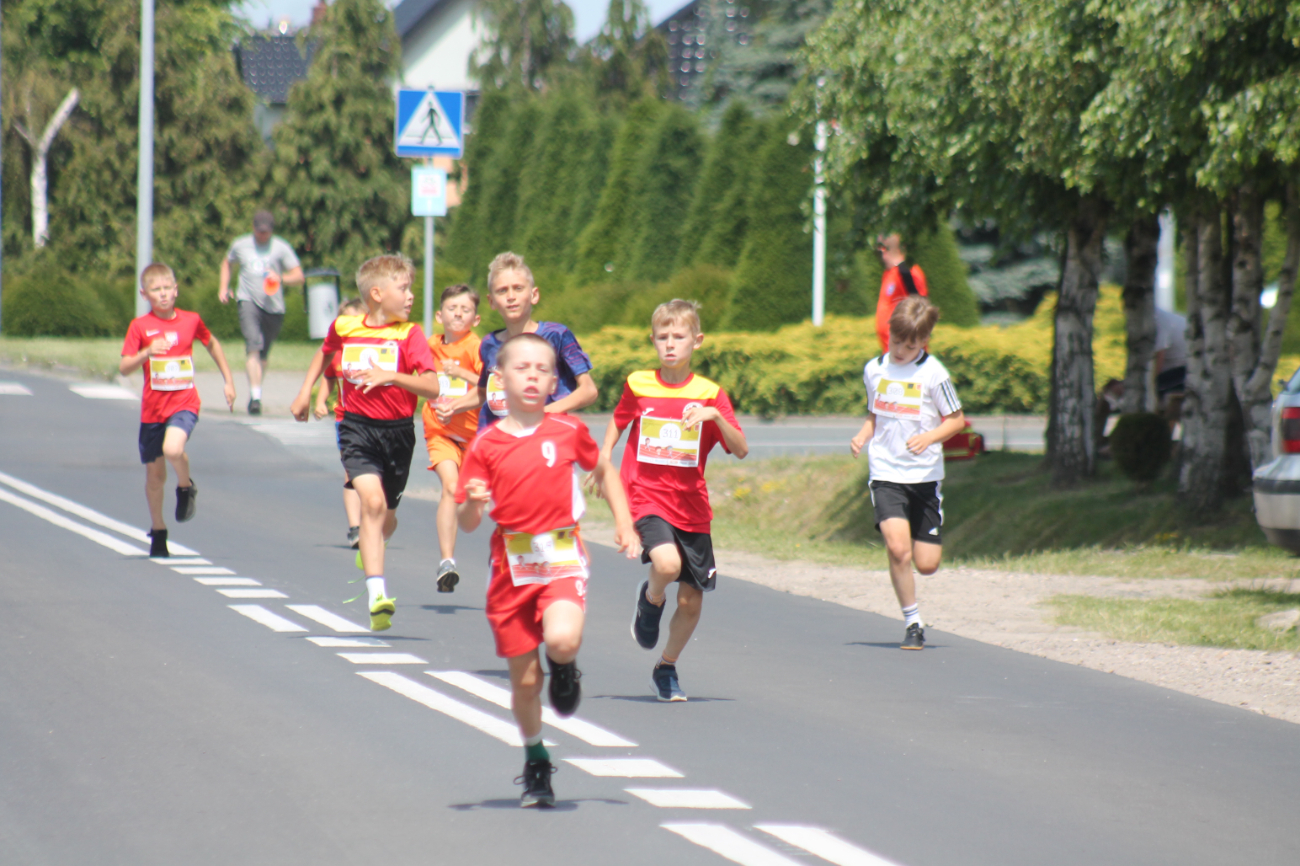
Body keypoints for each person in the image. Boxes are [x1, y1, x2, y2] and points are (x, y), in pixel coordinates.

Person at [456, 333, 638, 808]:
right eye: (523, 368)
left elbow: (604, 470)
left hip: (561, 554)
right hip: (510, 566)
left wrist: (625, 525)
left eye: (543, 369)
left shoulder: (567, 431)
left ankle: (564, 667)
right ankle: (536, 758)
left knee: (561, 639)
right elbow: (468, 522)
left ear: (554, 380)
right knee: (524, 683)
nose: (533, 376)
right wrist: (473, 505)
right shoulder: (486, 444)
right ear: (501, 378)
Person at [601, 300, 748, 702]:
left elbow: (741, 448)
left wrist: (714, 417)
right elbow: (617, 421)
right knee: (667, 564)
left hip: (692, 507)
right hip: (646, 496)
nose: (670, 344)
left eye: (678, 337)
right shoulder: (638, 383)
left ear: (696, 341)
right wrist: (603, 461)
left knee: (691, 602)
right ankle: (650, 600)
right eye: (662, 337)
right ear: (653, 340)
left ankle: (666, 667)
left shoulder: (710, 394)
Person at [290, 255, 440, 631]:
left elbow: (433, 386)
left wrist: (393, 376)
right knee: (370, 504)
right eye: (403, 288)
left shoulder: (410, 335)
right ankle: (377, 595)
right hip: (356, 428)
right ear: (377, 293)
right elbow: (324, 353)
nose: (410, 296)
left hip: (398, 433)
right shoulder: (345, 326)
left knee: (385, 518)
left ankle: (374, 544)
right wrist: (307, 393)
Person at [850, 296, 965, 650]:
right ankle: (913, 622)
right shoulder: (875, 369)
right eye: (896, 341)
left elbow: (956, 420)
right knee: (898, 549)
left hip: (925, 476)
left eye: (910, 344)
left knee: (927, 564)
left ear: (924, 341)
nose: (901, 350)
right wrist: (862, 435)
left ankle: (915, 556)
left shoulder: (934, 374)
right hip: (886, 472)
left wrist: (929, 437)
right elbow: (875, 415)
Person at [120, 263, 237, 558]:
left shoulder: (191, 320)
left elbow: (212, 344)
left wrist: (228, 381)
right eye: (156, 290)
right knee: (155, 478)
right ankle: (158, 530)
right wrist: (146, 352)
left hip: (184, 403)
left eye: (167, 289)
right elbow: (124, 368)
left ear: (176, 290)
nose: (163, 295)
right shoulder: (139, 326)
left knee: (174, 449)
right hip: (152, 411)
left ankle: (185, 486)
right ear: (144, 293)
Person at [441, 252, 596, 431]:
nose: (511, 296)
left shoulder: (557, 335)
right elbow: (484, 392)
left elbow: (588, 390)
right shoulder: (489, 344)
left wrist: (542, 414)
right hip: (498, 444)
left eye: (518, 288)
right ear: (491, 301)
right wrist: (453, 407)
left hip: (545, 440)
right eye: (502, 290)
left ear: (534, 295)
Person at [422, 284, 484, 592]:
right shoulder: (429, 346)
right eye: (452, 308)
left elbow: (491, 387)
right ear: (439, 315)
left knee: (472, 497)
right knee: (450, 486)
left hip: (475, 437)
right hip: (440, 432)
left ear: (476, 318)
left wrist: (461, 376)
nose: (458, 314)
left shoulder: (476, 347)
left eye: (465, 310)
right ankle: (447, 561)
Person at [218, 210, 304, 415]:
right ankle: (255, 397)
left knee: (263, 354)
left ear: (271, 231)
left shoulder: (281, 247)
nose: (262, 235)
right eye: (259, 231)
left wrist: (280, 277)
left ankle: (256, 389)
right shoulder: (240, 244)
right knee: (253, 345)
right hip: (247, 300)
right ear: (253, 228)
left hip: (273, 306)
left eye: (266, 232)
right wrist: (223, 287)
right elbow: (227, 263)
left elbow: (299, 276)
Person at [313, 296, 368, 549]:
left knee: (374, 475)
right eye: (345, 321)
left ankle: (372, 522)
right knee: (351, 473)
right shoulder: (338, 353)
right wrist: (320, 401)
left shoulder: (374, 349)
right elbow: (328, 377)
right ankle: (355, 527)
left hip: (376, 421)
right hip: (346, 421)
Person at [874, 233, 929, 353]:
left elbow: (921, 313)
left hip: (908, 357)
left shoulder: (907, 272)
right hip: (892, 354)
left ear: (883, 248)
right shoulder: (889, 274)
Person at [1154, 307, 1187, 424]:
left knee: (1158, 390)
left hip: (1186, 368)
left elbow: (1158, 358)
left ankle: (1162, 437)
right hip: (1173, 367)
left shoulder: (1158, 320)